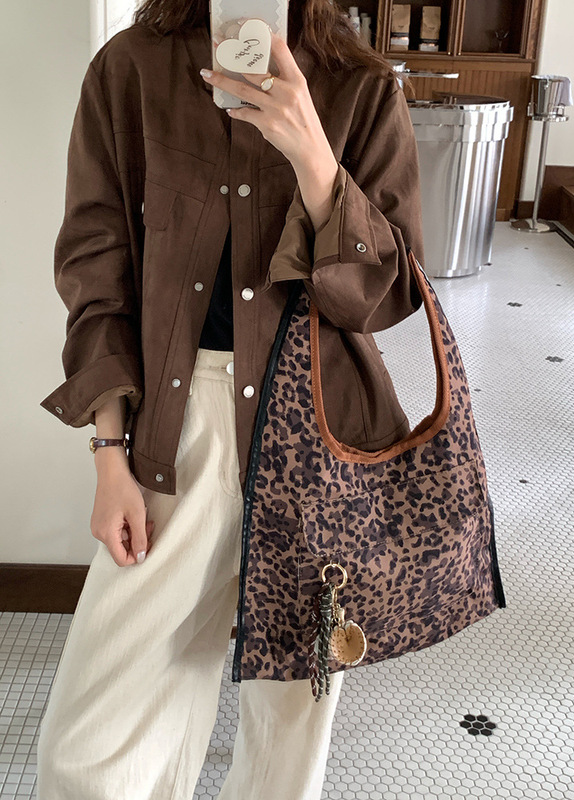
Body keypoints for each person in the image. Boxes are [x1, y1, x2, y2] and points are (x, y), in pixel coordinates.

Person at [36, 0, 424, 797]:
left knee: (288, 730)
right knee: (92, 746)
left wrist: (314, 159)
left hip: (316, 434)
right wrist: (109, 451)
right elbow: (95, 268)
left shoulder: (362, 87)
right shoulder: (130, 69)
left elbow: (386, 296)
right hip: (177, 428)